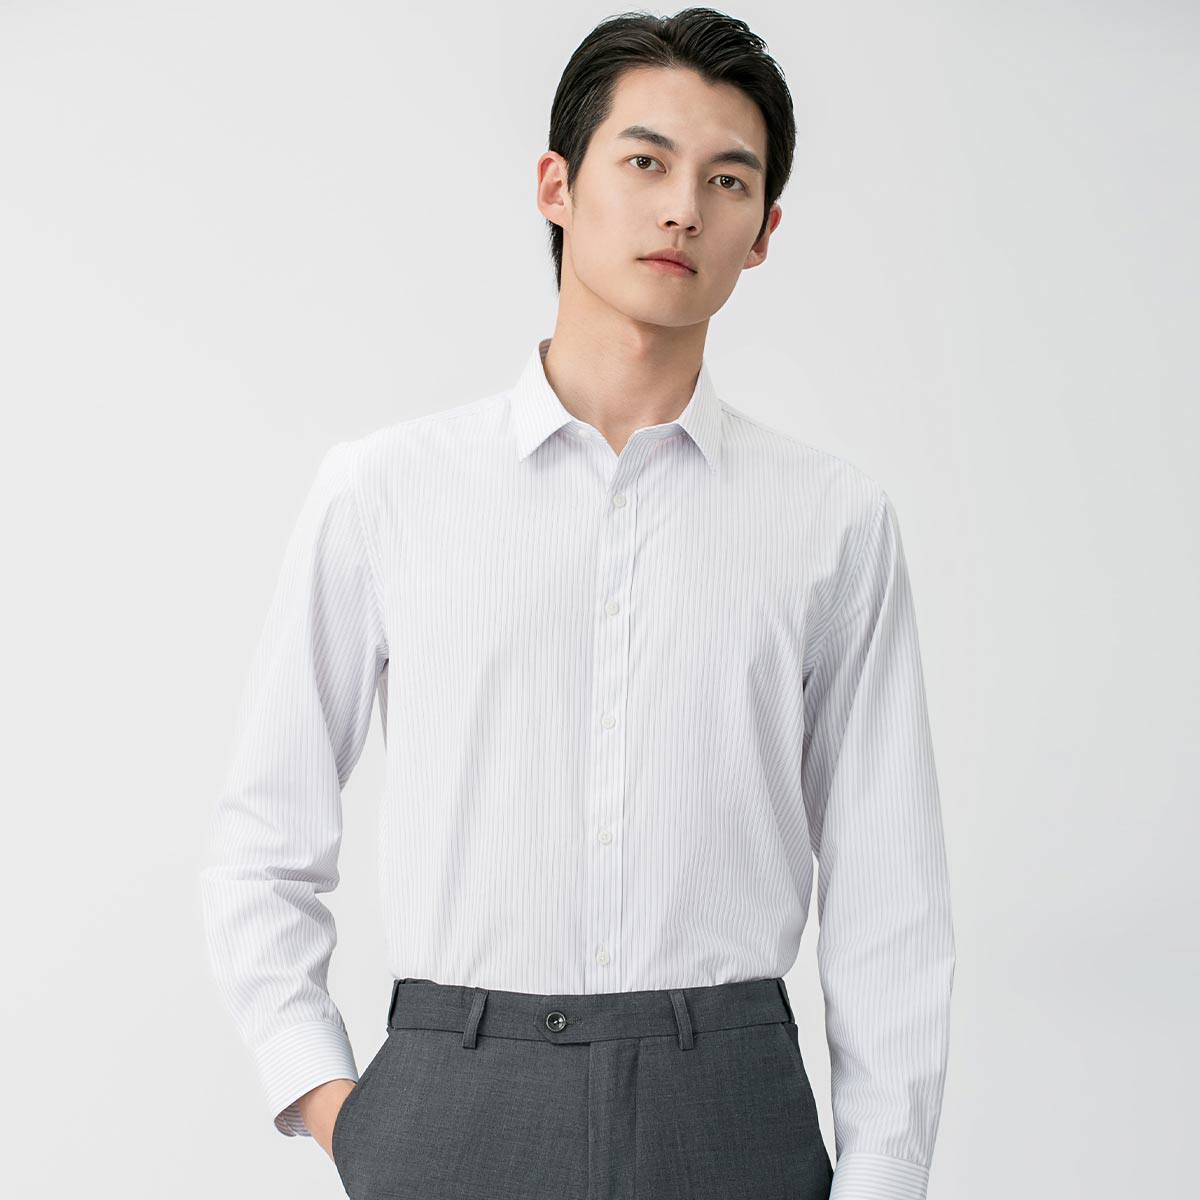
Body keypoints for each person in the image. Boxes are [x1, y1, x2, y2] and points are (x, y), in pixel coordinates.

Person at [200, 8, 956, 1199]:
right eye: (646, 162)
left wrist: (885, 1174)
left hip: (733, 1105)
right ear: (557, 185)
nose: (683, 209)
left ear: (763, 233)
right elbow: (264, 839)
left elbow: (887, 892)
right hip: (453, 1095)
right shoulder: (386, 491)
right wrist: (340, 1107)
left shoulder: (832, 520)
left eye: (728, 180)